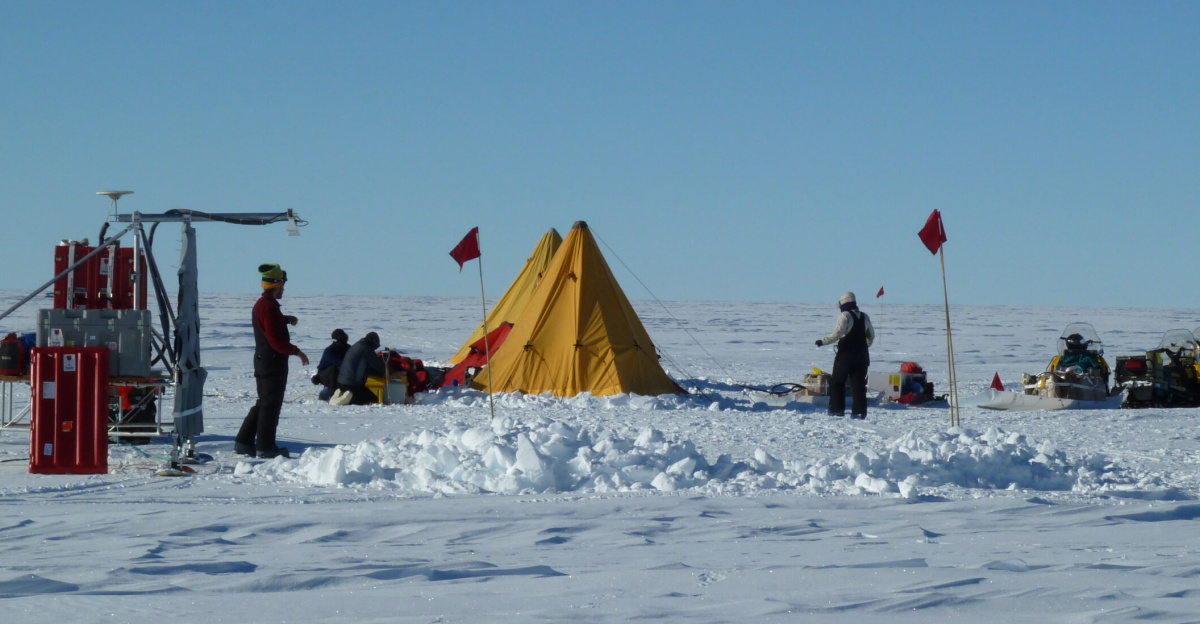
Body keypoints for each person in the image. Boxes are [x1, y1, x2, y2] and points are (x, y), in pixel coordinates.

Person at [235, 264, 309, 458]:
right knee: (270, 406)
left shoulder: (264, 305)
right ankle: (266, 447)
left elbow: (269, 323)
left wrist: (285, 319)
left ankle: (243, 442)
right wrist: (297, 352)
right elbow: (275, 341)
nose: (283, 289)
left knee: (264, 403)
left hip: (264, 360)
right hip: (272, 362)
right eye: (282, 286)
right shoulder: (268, 307)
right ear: (276, 286)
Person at [815, 291, 874, 419]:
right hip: (862, 356)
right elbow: (871, 336)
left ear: (842, 303)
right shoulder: (865, 316)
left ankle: (837, 410)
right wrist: (864, 346)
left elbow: (837, 334)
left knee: (837, 381)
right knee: (858, 383)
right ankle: (859, 411)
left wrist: (823, 341)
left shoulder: (845, 316)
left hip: (846, 355)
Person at [333, 331, 386, 405]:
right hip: (352, 385)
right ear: (373, 342)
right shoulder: (366, 348)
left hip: (341, 382)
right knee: (372, 399)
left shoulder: (357, 345)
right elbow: (377, 365)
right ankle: (348, 398)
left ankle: (341, 393)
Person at [311, 329, 350, 401]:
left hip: (341, 375)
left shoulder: (348, 348)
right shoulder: (330, 351)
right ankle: (330, 394)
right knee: (333, 368)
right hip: (325, 376)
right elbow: (341, 363)